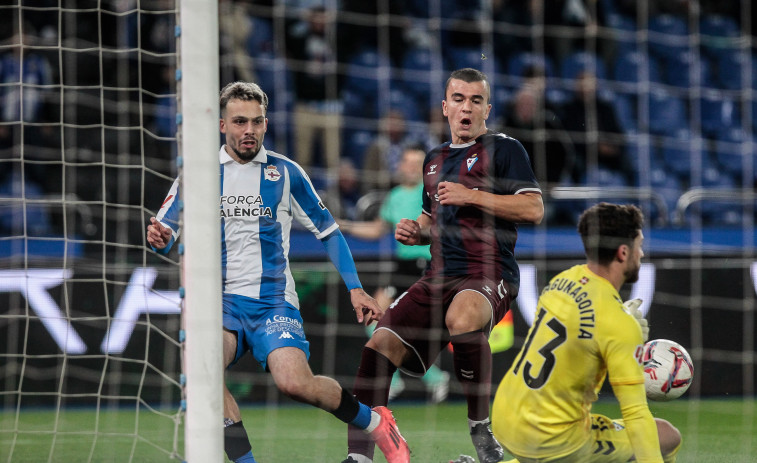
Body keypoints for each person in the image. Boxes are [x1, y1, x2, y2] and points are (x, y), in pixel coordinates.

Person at [146, 81, 410, 463]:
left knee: (295, 384)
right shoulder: (198, 174)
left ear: (266, 124)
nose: (248, 130)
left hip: (272, 301)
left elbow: (329, 231)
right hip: (221, 303)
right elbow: (167, 234)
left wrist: (355, 288)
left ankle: (376, 424)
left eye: (256, 122)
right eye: (239, 122)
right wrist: (160, 239)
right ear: (223, 125)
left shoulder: (285, 173)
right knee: (204, 375)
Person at [344, 68, 544, 463]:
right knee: (377, 347)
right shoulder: (434, 160)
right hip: (438, 275)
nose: (466, 108)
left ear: (487, 108)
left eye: (475, 100)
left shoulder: (505, 150)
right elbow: (431, 221)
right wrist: (414, 232)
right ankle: (361, 455)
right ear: (444, 107)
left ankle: (480, 429)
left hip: (489, 271)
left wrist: (473, 196)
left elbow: (533, 208)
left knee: (464, 316)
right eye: (458, 99)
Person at [491, 202, 682, 463]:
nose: (643, 254)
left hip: (505, 416)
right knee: (667, 438)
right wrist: (625, 332)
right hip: (552, 441)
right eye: (640, 244)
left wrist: (620, 320)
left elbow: (580, 339)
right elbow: (635, 413)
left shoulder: (561, 281)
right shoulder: (618, 326)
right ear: (623, 252)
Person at [340, 145, 450, 403]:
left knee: (385, 317)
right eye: (407, 162)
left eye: (417, 163)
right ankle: (422, 378)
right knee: (375, 315)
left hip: (426, 264)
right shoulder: (395, 196)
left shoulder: (433, 194)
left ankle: (410, 379)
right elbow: (378, 229)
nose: (411, 167)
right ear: (399, 166)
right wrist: (343, 225)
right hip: (401, 267)